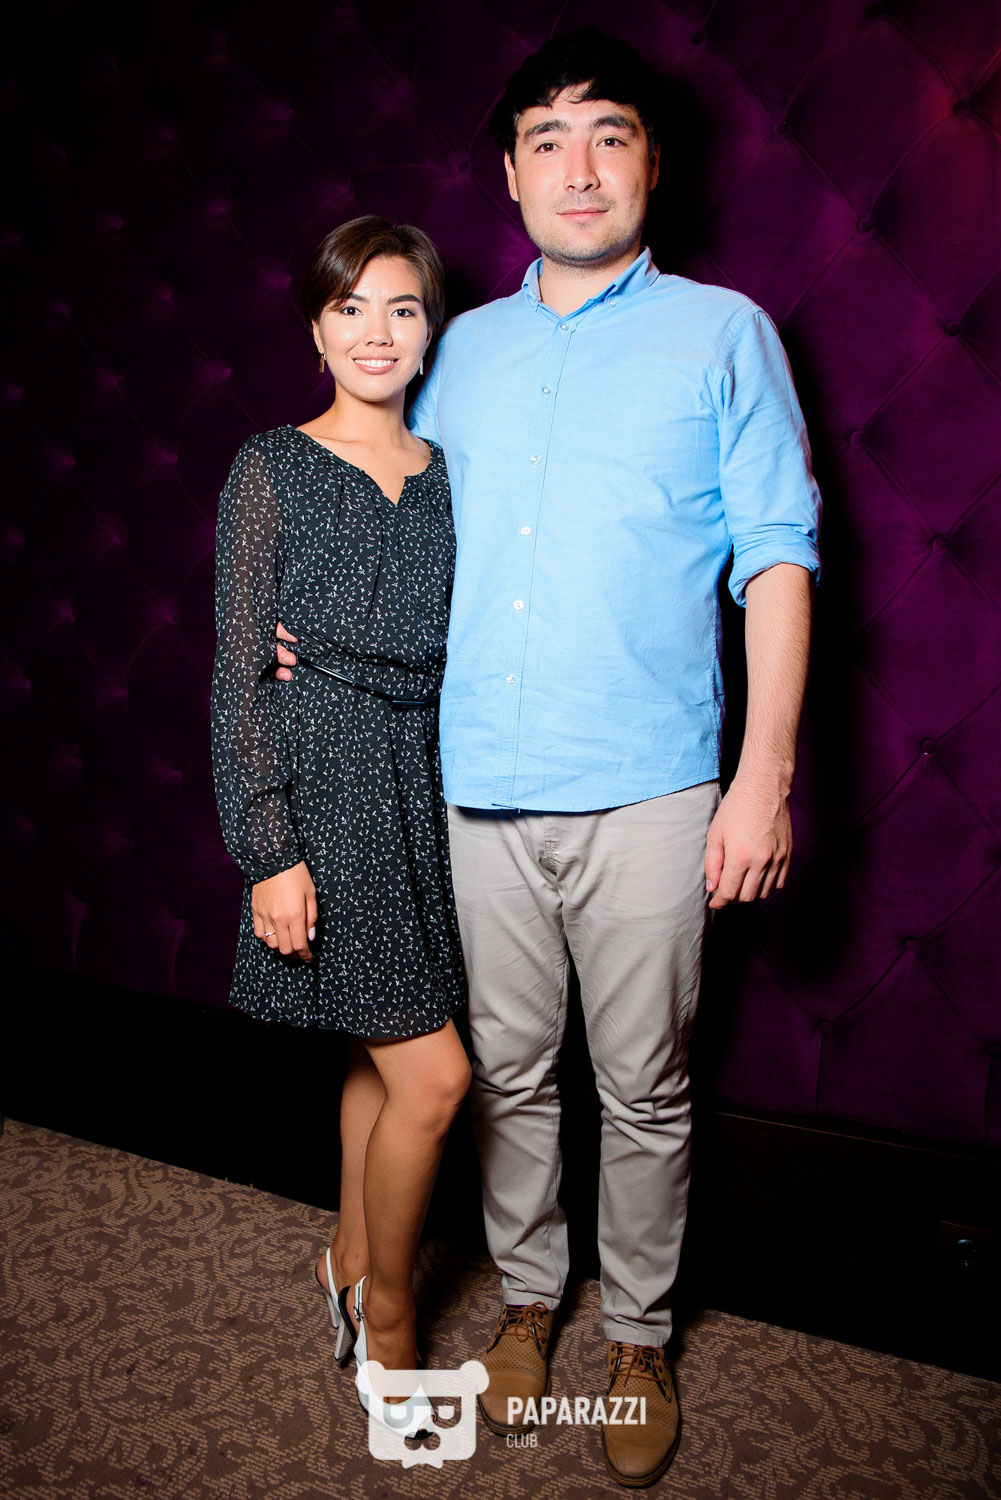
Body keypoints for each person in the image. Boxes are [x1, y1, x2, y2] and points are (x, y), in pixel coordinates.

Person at [278, 27, 821, 1487]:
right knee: (507, 1075)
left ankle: (635, 1334)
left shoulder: (724, 333)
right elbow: (382, 507)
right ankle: (530, 1301)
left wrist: (764, 775)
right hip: (469, 787)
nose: (578, 167)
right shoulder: (458, 351)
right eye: (546, 140)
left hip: (652, 787)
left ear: (651, 162)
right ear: (511, 177)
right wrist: (298, 633)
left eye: (608, 134)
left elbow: (776, 555)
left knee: (642, 1085)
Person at [211, 217, 470, 1438]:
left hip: (425, 781)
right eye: (349, 307)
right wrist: (268, 849)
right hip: (325, 780)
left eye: (401, 307)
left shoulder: (453, 472)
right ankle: (393, 1317)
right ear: (315, 330)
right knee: (435, 1074)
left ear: (430, 330)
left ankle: (346, 1266)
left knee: (378, 1056)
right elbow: (235, 675)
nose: (376, 332)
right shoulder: (269, 465)